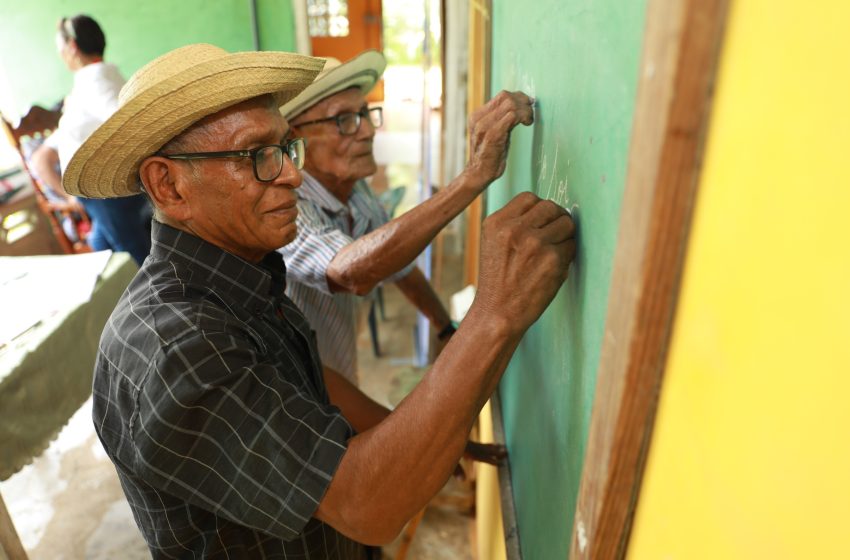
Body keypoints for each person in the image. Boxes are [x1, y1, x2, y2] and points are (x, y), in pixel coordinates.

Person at [64, 44, 575, 558]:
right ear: (168, 184)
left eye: (286, 149)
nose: (290, 174)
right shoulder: (178, 346)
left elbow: (306, 381)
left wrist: (419, 431)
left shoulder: (240, 274)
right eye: (255, 156)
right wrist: (493, 317)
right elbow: (367, 505)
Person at [280, 50, 523, 383]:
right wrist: (473, 176)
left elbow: (397, 264)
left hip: (338, 374)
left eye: (365, 114)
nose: (367, 131)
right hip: (297, 396)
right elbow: (350, 270)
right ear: (296, 138)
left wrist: (443, 327)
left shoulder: (354, 190)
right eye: (343, 120)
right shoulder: (284, 205)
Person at [30, 14, 151, 265]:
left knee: (135, 258)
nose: (61, 55)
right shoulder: (104, 78)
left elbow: (127, 123)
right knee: (102, 246)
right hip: (102, 195)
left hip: (103, 193)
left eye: (60, 49)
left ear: (72, 47)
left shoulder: (95, 82)